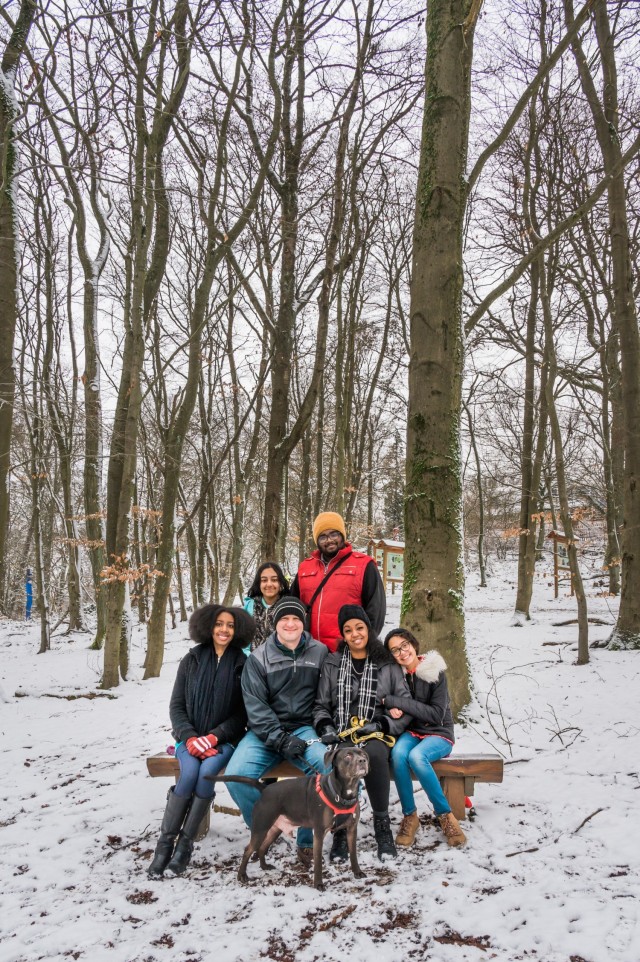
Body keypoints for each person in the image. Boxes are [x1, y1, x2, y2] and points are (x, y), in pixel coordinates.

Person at [148, 603, 255, 878]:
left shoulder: (242, 664)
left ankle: (184, 847)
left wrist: (213, 738)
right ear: (208, 626)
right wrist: (191, 737)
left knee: (207, 774)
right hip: (189, 739)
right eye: (219, 624)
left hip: (223, 741)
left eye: (230, 625)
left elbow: (242, 713)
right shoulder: (192, 659)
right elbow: (177, 705)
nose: (224, 630)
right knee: (188, 775)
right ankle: (164, 848)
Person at [223, 596, 329, 865]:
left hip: (305, 729)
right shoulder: (258, 659)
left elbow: (327, 697)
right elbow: (255, 709)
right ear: (274, 624)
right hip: (265, 733)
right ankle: (267, 824)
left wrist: (323, 727)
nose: (290, 624)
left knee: (326, 769)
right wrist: (279, 738)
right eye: (284, 619)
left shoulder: (320, 652)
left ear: (302, 623)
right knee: (236, 776)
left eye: (295, 618)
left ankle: (306, 840)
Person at [313, 604, 410, 862]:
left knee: (374, 756)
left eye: (359, 627)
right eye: (348, 630)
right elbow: (321, 705)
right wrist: (325, 727)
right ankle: (341, 829)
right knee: (343, 758)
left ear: (368, 629)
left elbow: (404, 704)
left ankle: (382, 826)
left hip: (377, 731)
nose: (355, 634)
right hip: (343, 731)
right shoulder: (333, 663)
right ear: (343, 635)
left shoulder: (386, 663)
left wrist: (382, 725)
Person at [383, 628, 466, 848]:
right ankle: (410, 816)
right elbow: (385, 702)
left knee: (417, 757)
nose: (401, 653)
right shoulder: (396, 676)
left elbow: (436, 714)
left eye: (404, 645)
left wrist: (396, 702)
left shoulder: (433, 670)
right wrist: (392, 709)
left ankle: (445, 816)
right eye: (394, 650)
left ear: (412, 644)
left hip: (439, 733)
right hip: (412, 731)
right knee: (399, 754)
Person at [290, 511, 386, 652]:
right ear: (317, 540)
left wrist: (363, 646)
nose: (329, 540)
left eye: (334, 534)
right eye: (322, 536)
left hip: (346, 651)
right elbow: (291, 605)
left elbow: (376, 610)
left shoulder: (364, 565)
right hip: (309, 651)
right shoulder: (305, 567)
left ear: (342, 535)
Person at [243, 561, 290, 651]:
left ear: (280, 582)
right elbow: (243, 639)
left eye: (274, 580)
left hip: (280, 661)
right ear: (259, 583)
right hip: (252, 660)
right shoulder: (250, 605)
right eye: (264, 580)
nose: (269, 584)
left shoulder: (287, 605)